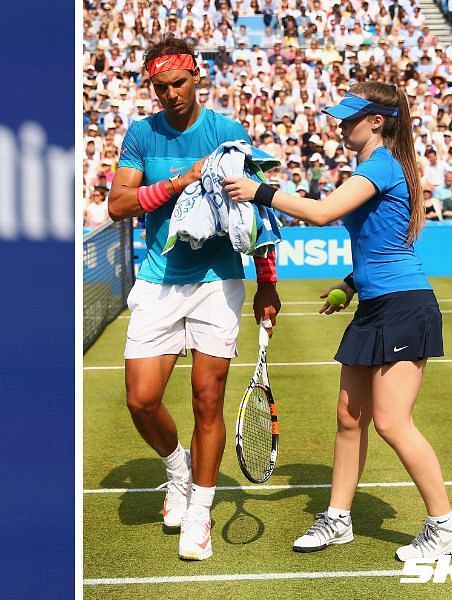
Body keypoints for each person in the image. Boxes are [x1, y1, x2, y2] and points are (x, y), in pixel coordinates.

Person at [224, 82, 452, 561]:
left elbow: (321, 213)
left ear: (376, 121)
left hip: (404, 305)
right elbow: (382, 245)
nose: (339, 125)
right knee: (348, 419)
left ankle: (446, 526)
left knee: (392, 422)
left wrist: (261, 192)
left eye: (348, 117)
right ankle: (338, 519)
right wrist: (350, 285)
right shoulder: (373, 165)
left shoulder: (381, 164)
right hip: (376, 303)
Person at [107, 36, 282, 562]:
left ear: (196, 77)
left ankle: (200, 512)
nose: (170, 95)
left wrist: (267, 283)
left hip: (217, 283)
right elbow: (118, 203)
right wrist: (180, 182)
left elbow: (256, 215)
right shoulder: (141, 134)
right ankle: (177, 469)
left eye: (178, 83)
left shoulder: (229, 133)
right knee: (141, 398)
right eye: (160, 87)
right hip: (160, 279)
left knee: (209, 400)